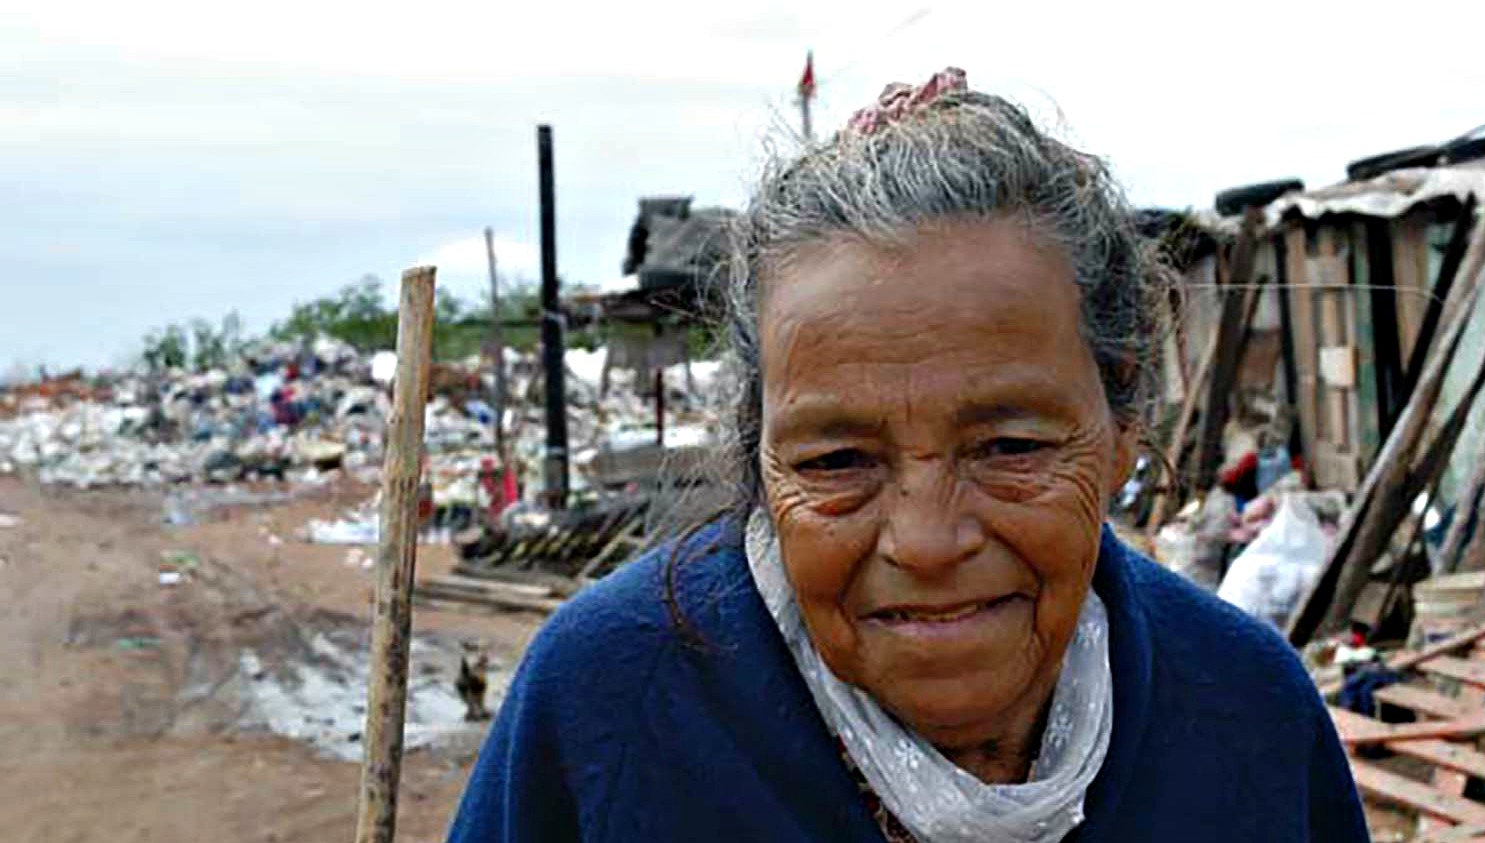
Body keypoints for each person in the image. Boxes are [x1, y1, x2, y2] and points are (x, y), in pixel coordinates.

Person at [447, 69, 1368, 842]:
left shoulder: (1249, 719)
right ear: (759, 455)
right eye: (836, 461)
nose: (926, 544)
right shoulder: (610, 707)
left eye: (1009, 446)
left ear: (1123, 417)